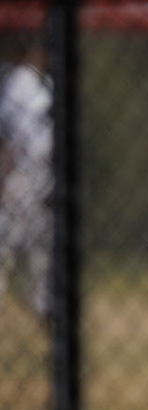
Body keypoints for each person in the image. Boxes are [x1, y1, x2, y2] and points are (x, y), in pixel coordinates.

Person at [0, 30, 51, 325]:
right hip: (31, 169)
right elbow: (9, 134)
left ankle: (43, 302)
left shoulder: (24, 82)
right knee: (31, 239)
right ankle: (43, 302)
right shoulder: (29, 83)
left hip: (30, 170)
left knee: (24, 237)